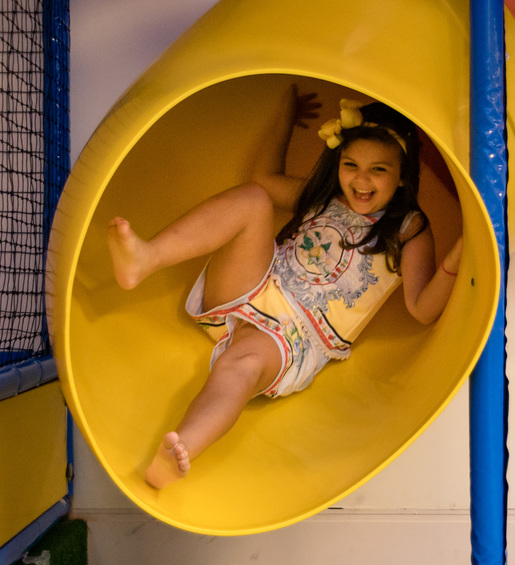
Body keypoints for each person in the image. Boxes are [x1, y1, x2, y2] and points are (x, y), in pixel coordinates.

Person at [107, 89, 462, 489]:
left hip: (296, 335)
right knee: (254, 199)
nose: (360, 180)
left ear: (402, 176)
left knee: (238, 368)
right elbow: (261, 180)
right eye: (350, 165)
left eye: (378, 170)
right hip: (251, 288)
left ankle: (180, 449)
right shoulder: (322, 198)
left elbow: (421, 308)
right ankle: (146, 257)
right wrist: (284, 114)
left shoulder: (408, 228)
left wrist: (459, 258)